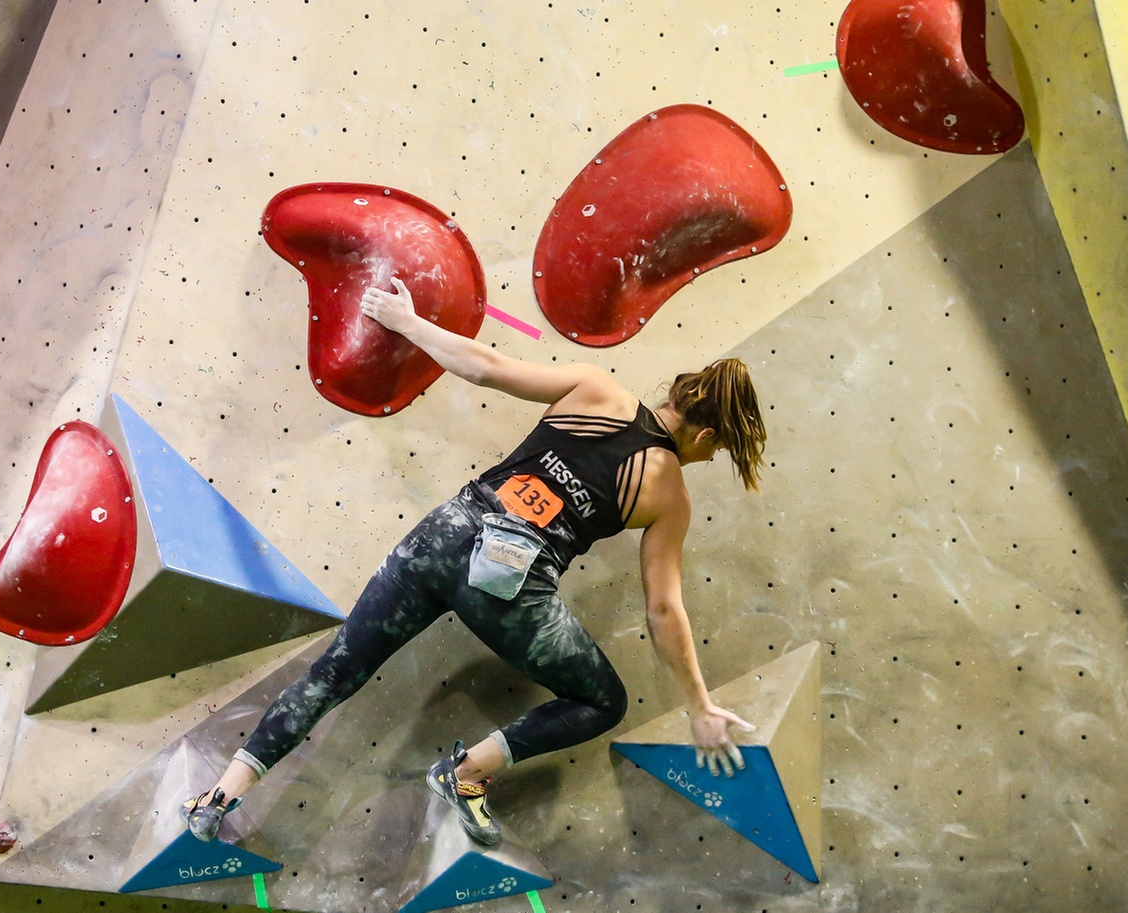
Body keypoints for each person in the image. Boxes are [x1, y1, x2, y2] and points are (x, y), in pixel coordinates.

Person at [184, 277, 765, 846]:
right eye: (714, 450)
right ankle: (465, 776)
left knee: (332, 674)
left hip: (442, 536)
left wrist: (407, 323)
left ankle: (222, 795)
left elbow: (485, 367)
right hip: (507, 586)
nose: (706, 459)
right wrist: (699, 703)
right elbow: (663, 610)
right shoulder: (668, 493)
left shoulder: (597, 389)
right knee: (603, 701)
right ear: (707, 432)